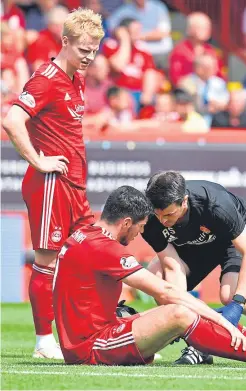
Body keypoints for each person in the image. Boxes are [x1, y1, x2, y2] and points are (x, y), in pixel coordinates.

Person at [52, 185, 246, 366]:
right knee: (179, 313)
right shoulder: (106, 249)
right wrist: (221, 321)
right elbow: (166, 290)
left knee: (184, 309)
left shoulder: (83, 235)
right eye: (140, 227)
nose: (137, 235)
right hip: (93, 345)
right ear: (126, 223)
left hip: (93, 335)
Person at [3, 7, 105, 359]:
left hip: (73, 187)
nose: (90, 57)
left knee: (85, 257)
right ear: (65, 41)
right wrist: (38, 160)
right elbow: (12, 120)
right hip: (50, 185)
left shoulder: (75, 76)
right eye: (83, 50)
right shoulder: (46, 78)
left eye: (94, 50)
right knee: (47, 262)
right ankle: (43, 342)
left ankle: (84, 330)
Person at [143, 171, 246, 365]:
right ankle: (201, 347)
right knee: (157, 280)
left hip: (232, 238)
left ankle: (201, 342)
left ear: (184, 202)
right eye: (159, 215)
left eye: (169, 214)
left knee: (229, 294)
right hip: (197, 240)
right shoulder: (150, 218)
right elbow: (172, 265)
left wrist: (237, 304)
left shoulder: (216, 205)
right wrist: (178, 311)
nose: (163, 221)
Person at [169, 12, 225, 87]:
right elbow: (176, 77)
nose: (207, 30)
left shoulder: (211, 51)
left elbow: (219, 75)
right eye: (202, 27)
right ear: (190, 29)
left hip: (211, 89)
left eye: (208, 27)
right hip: (188, 90)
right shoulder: (179, 50)